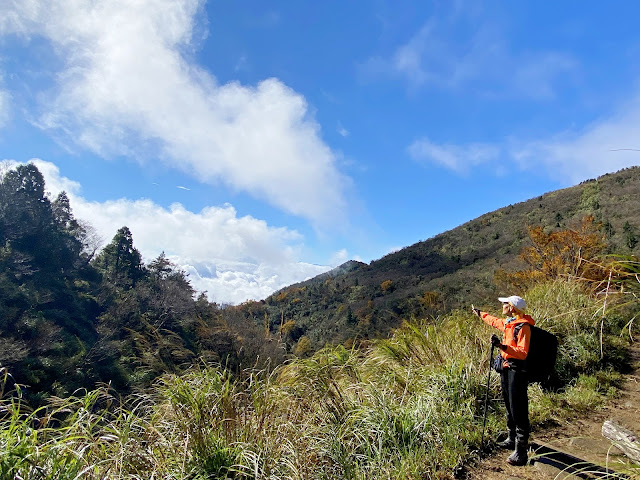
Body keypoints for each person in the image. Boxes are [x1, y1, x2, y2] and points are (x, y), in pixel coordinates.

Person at [472, 295, 534, 466]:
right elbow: (494, 321)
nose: (503, 305)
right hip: (506, 368)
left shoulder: (523, 327)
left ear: (512, 308)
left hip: (517, 370)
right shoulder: (509, 323)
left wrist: (501, 346)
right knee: (508, 403)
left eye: (505, 304)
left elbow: (522, 352)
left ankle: (521, 452)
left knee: (518, 407)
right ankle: (511, 438)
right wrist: (480, 314)